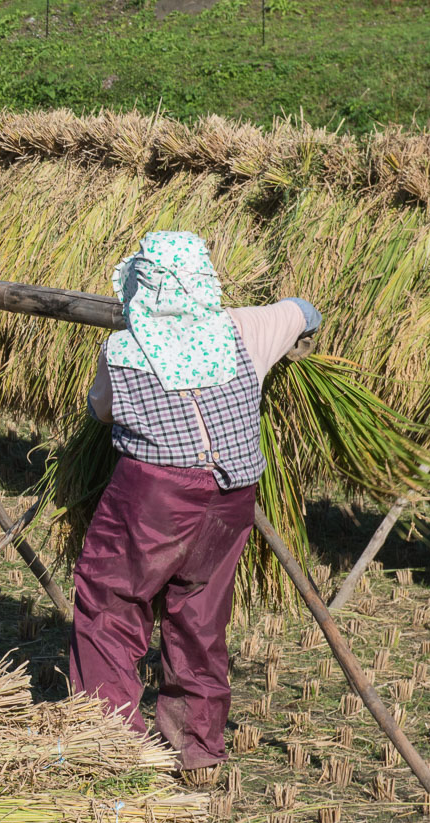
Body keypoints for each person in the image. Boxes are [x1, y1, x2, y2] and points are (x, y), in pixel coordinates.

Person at [69, 230, 320, 771]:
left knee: (112, 601)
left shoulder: (123, 348)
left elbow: (103, 412)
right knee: (200, 616)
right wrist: (303, 329)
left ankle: (107, 743)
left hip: (156, 495)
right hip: (231, 496)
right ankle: (197, 750)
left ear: (143, 287)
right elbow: (304, 310)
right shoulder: (244, 328)